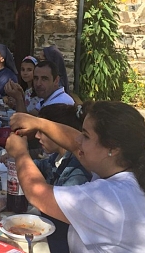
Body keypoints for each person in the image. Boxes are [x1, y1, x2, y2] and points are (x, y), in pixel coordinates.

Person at [7, 101, 145, 253]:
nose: (79, 139)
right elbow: (74, 143)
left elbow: (38, 194)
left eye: (86, 136)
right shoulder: (124, 171)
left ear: (113, 149)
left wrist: (20, 153)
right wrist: (39, 123)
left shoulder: (110, 197)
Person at [34, 104, 91, 252]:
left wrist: (21, 154)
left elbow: (57, 209)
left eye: (42, 132)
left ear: (58, 133)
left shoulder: (78, 172)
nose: (37, 136)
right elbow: (41, 165)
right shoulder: (58, 157)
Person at [5, 60, 74, 115]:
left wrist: (18, 99)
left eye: (44, 79)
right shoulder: (46, 97)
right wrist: (21, 96)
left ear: (56, 80)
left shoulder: (60, 103)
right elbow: (29, 117)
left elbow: (25, 126)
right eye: (35, 78)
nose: (38, 84)